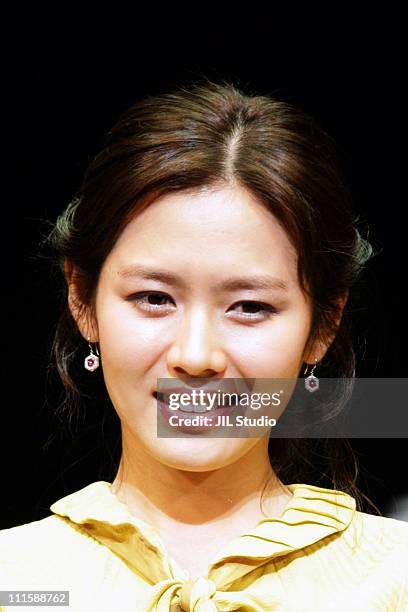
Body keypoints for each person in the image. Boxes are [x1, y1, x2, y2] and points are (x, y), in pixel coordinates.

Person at [1, 79, 407, 611]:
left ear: (324, 325)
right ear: (83, 299)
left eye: (251, 307)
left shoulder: (395, 578)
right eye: (153, 298)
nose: (195, 357)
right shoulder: (16, 579)